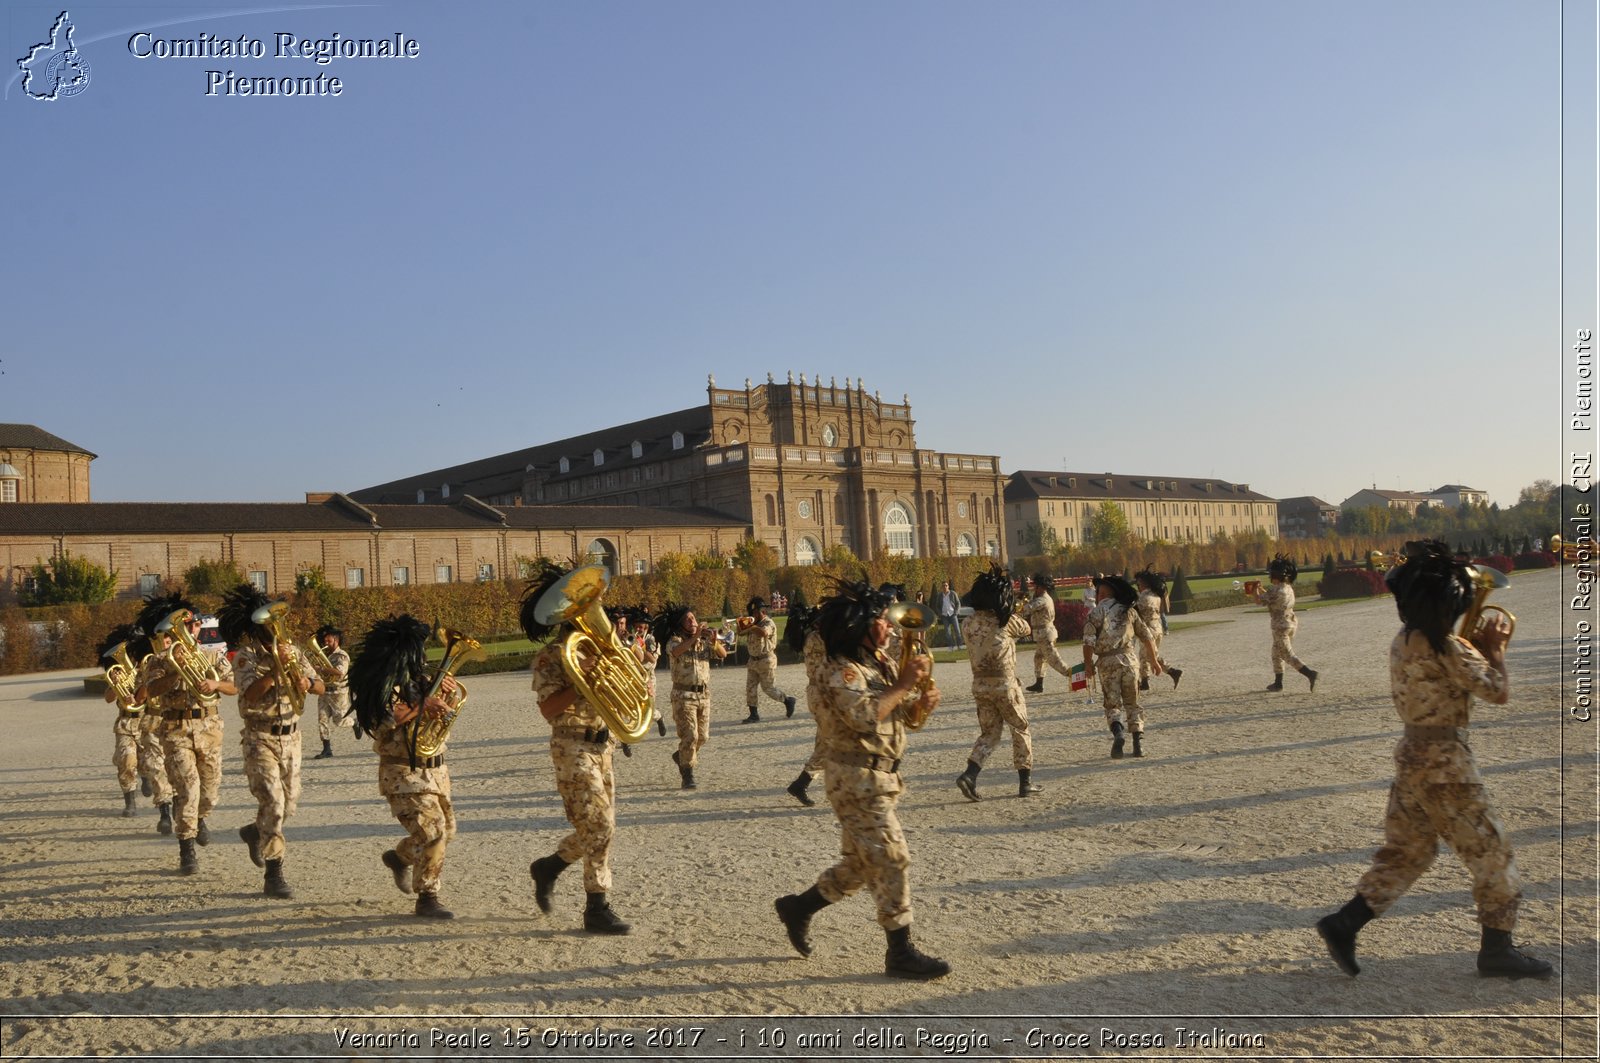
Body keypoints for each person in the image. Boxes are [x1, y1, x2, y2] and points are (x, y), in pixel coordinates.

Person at [1315, 541, 1551, 980]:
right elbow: (1497, 691)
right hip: (1449, 766)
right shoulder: (1450, 648)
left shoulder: (1403, 641)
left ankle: (1344, 923)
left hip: (1411, 759)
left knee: (1408, 852)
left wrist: (1471, 646)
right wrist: (1494, 649)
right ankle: (1498, 950)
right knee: (1494, 854)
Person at [773, 578, 948, 980]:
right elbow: (865, 716)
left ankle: (798, 908)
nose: (890, 628)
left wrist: (919, 703)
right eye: (882, 622)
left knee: (859, 864)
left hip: (880, 778)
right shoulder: (842, 671)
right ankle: (900, 952)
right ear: (859, 627)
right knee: (891, 857)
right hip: (854, 779)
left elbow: (895, 715)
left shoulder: (875, 664)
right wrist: (905, 684)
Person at [521, 562, 632, 934]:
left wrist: (639, 691)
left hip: (604, 748)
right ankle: (596, 907)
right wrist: (582, 680)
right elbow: (548, 710)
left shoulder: (604, 649)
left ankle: (549, 867)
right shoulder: (553, 657)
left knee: (602, 827)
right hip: (571, 748)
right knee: (600, 825)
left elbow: (624, 699)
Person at [349, 614, 465, 918]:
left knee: (446, 832)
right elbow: (384, 720)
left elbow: (443, 717)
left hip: (436, 771)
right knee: (434, 833)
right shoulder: (381, 687)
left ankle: (399, 859)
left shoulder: (421, 683)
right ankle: (427, 896)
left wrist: (445, 693)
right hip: (402, 774)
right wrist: (422, 705)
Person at [220, 585, 324, 900]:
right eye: (267, 623)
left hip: (292, 737)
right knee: (274, 804)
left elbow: (319, 686)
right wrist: (277, 672)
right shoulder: (246, 656)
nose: (274, 628)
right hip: (260, 737)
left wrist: (306, 681)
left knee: (288, 804)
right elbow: (249, 693)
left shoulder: (292, 649)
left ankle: (255, 832)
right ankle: (274, 872)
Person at [135, 594, 234, 876]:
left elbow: (234, 687)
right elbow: (147, 692)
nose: (190, 630)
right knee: (188, 789)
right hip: (176, 731)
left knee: (210, 792)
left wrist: (215, 682)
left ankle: (201, 818)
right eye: (184, 626)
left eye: (193, 625)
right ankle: (186, 849)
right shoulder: (159, 660)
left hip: (209, 729)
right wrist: (175, 674)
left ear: (199, 627)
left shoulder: (212, 655)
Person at [954, 563, 1040, 800]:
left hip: (980, 685)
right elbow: (1025, 629)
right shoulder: (1006, 621)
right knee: (1020, 728)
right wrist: (1012, 609)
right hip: (1006, 684)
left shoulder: (968, 623)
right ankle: (1025, 781)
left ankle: (970, 774)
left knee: (989, 734)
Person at [1082, 574, 1162, 759]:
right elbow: (1147, 637)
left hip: (1107, 662)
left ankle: (1118, 733)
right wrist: (1154, 661)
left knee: (1112, 704)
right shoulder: (1130, 610)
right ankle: (1138, 743)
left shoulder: (1096, 612)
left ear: (1102, 593)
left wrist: (1088, 665)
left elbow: (1088, 641)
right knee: (1132, 703)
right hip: (1130, 660)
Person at [655, 603, 725, 789]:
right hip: (683, 695)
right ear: (680, 624)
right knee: (690, 736)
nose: (692, 621)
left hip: (703, 694)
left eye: (693, 618)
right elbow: (676, 651)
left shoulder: (702, 642)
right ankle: (687, 774)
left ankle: (681, 756)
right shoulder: (675, 640)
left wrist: (714, 641)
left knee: (703, 737)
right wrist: (694, 637)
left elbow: (722, 654)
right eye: (688, 619)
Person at [98, 624, 151, 818]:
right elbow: (108, 698)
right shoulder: (118, 671)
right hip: (126, 723)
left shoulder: (149, 666)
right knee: (126, 762)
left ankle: (145, 777)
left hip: (147, 722)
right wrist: (117, 688)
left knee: (148, 763)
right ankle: (130, 802)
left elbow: (151, 695)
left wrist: (140, 695)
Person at [783, 603, 827, 807]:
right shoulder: (816, 639)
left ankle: (801, 784)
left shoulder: (819, 635)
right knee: (830, 743)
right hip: (823, 693)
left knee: (827, 743)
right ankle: (801, 783)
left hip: (826, 693)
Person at [1257, 554, 1319, 691]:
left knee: (1286, 654)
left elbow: (1259, 601)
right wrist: (1261, 589)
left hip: (1280, 625)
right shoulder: (1287, 588)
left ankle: (1310, 673)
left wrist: (1252, 590)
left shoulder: (1276, 590)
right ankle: (1278, 683)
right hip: (1290, 622)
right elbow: (1271, 596)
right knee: (1276, 652)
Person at [738, 597, 797, 724]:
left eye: (756, 612)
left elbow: (763, 633)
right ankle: (753, 714)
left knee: (769, 688)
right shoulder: (752, 623)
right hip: (753, 660)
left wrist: (751, 626)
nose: (754, 615)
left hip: (766, 660)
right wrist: (741, 624)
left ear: (762, 611)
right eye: (752, 613)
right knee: (750, 688)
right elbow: (740, 633)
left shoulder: (768, 623)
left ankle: (787, 700)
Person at [1022, 573, 1075, 694]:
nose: (1034, 589)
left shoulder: (1042, 599)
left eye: (1035, 587)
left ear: (1041, 587)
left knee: (1054, 660)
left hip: (1045, 634)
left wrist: (1024, 602)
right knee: (1039, 659)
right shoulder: (1041, 598)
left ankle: (1074, 674)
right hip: (1042, 634)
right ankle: (1039, 683)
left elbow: (1027, 608)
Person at [1133, 568, 1184, 691]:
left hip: (1147, 628)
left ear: (1143, 583)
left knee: (1148, 655)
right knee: (1148, 654)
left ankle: (1168, 672)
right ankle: (1148, 679)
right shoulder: (1156, 595)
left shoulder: (1143, 597)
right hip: (1157, 626)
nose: (1138, 586)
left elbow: (1136, 612)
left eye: (1138, 584)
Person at [311, 625, 350, 759]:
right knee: (322, 720)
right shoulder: (324, 655)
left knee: (339, 721)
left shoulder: (342, 656)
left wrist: (321, 669)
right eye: (324, 641)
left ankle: (356, 723)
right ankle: (327, 749)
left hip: (338, 692)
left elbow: (339, 672)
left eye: (329, 641)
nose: (325, 643)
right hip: (324, 691)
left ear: (336, 640)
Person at [934, 580, 964, 650]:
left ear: (948, 586)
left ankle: (960, 645)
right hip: (944, 616)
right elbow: (937, 606)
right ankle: (951, 646)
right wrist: (940, 613)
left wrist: (956, 612)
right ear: (941, 587)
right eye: (943, 586)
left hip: (953, 614)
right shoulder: (939, 595)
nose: (945, 587)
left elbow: (958, 603)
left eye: (946, 585)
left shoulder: (953, 593)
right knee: (947, 632)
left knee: (957, 631)